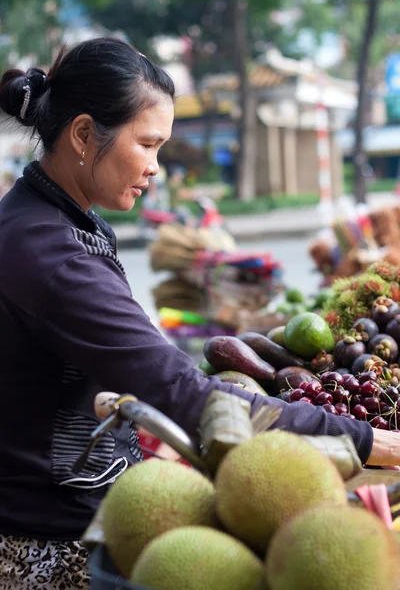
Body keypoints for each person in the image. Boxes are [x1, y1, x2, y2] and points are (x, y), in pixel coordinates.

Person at [0, 37, 398, 588]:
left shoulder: (53, 217)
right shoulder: (52, 253)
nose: (157, 167)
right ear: (85, 134)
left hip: (81, 506)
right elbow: (182, 391)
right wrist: (367, 440)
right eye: (148, 144)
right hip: (51, 547)